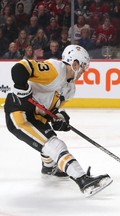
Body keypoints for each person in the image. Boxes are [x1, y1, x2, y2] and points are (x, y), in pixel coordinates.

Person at [4, 45, 112, 197]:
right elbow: (19, 69)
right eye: (83, 66)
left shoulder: (70, 89)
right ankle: (83, 180)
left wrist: (58, 119)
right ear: (74, 64)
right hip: (19, 114)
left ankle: (49, 167)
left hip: (36, 117)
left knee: (47, 138)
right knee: (54, 144)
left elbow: (51, 110)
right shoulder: (54, 69)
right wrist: (22, 89)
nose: (84, 71)